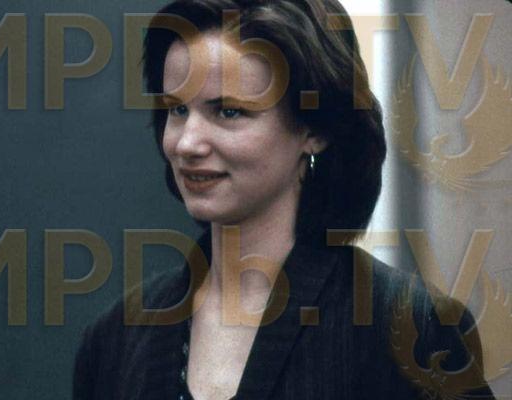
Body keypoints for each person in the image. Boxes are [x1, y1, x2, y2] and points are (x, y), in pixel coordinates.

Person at [73, 1, 495, 399]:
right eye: (177, 110)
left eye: (228, 112)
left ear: (315, 129)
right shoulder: (115, 339)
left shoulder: (412, 329)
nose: (186, 143)